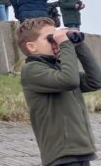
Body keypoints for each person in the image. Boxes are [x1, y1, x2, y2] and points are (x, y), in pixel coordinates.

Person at [17, 17, 101, 166]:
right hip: (61, 155)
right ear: (32, 46)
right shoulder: (31, 70)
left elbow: (96, 81)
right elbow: (69, 80)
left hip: (80, 151)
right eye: (50, 39)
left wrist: (79, 45)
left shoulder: (59, 69)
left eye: (56, 36)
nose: (56, 42)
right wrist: (65, 44)